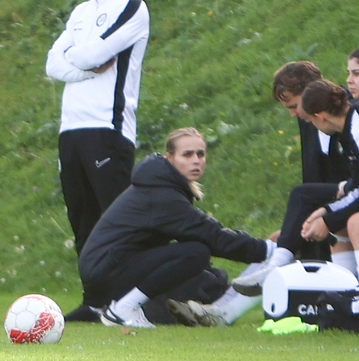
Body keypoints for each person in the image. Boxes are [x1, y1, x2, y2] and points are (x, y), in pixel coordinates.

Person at [45, 0, 150, 322]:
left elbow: (93, 54)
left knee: (116, 221)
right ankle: (94, 301)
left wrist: (83, 58)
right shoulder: (81, 11)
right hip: (70, 129)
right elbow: (55, 64)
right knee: (82, 220)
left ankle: (128, 302)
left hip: (108, 130)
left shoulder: (132, 7)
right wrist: (87, 67)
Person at [78, 128, 272, 329]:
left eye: (200, 154)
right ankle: (123, 309)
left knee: (207, 276)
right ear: (170, 158)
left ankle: (123, 308)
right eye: (187, 154)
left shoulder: (163, 184)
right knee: (196, 252)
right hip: (107, 271)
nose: (196, 160)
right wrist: (269, 249)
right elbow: (212, 236)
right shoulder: (162, 195)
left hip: (108, 268)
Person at [233, 79, 359, 295]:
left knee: (354, 222)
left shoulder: (355, 126)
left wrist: (327, 219)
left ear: (319, 116)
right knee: (337, 219)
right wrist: (325, 211)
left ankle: (350, 297)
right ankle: (346, 296)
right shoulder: (350, 126)